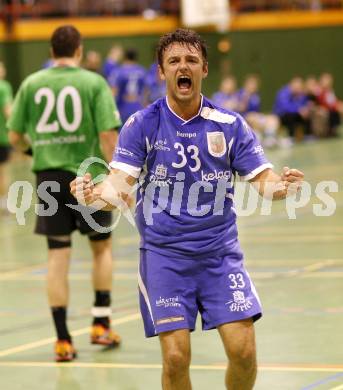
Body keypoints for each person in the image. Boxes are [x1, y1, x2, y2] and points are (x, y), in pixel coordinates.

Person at [71, 29, 304, 389]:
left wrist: (282, 187)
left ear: (204, 69)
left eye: (191, 60)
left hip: (219, 255)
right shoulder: (142, 124)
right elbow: (118, 185)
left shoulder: (229, 124)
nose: (184, 67)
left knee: (243, 353)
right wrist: (93, 194)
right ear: (162, 72)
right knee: (176, 358)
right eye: (174, 61)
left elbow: (264, 180)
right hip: (165, 257)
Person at [7, 25, 122, 362]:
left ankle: (62, 340)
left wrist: (38, 153)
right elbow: (108, 136)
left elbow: (14, 137)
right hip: (90, 176)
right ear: (80, 50)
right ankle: (100, 324)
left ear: (50, 50)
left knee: (58, 256)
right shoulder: (92, 82)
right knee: (101, 249)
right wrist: (115, 176)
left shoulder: (31, 83)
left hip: (49, 176)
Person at [236, 75, 280, 148]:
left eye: (255, 84)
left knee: (273, 118)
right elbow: (240, 108)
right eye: (251, 83)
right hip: (244, 118)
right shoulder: (241, 93)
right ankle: (263, 137)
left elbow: (257, 111)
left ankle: (270, 138)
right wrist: (246, 96)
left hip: (256, 117)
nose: (253, 86)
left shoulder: (256, 95)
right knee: (252, 116)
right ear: (246, 84)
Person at [109, 48, 147, 124]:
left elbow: (113, 91)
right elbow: (146, 90)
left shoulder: (119, 71)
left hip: (123, 107)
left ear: (125, 57)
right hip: (138, 106)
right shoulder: (142, 70)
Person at [273, 76, 311, 142]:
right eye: (296, 86)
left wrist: (305, 109)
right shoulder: (283, 92)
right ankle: (291, 137)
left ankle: (307, 135)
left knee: (306, 114)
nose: (298, 88)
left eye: (300, 86)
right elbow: (285, 107)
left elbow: (303, 103)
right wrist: (299, 110)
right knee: (291, 115)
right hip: (281, 116)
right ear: (292, 84)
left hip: (295, 114)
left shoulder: (299, 93)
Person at [0, 61, 13, 211]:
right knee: (2, 172)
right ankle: (4, 202)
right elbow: (8, 111)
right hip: (2, 138)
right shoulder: (3, 87)